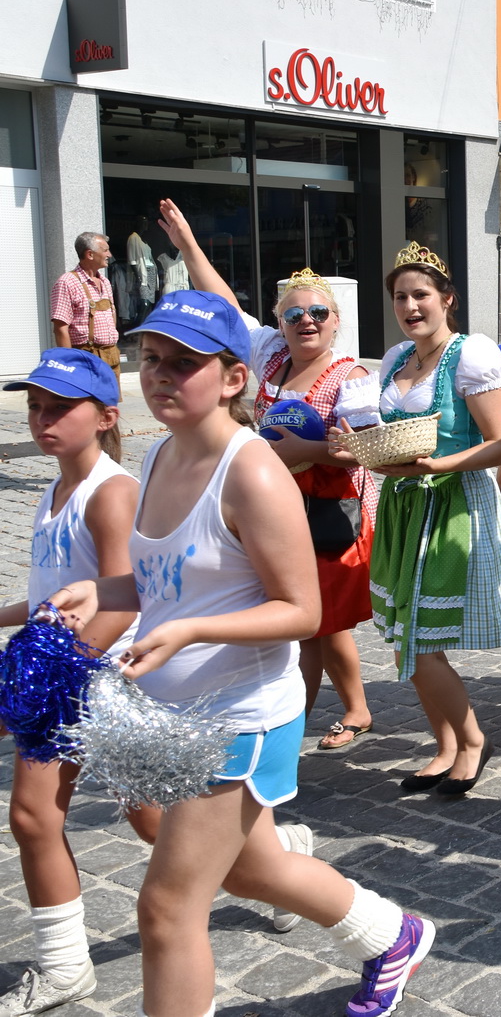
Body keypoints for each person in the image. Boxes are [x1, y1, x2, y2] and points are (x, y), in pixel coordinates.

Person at [48, 291, 434, 1017]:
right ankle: (393, 933)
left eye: (184, 363)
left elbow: (303, 610)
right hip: (173, 715)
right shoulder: (160, 454)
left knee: (166, 908)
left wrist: (193, 633)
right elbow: (170, 583)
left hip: (239, 720)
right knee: (254, 869)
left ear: (232, 378)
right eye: (151, 359)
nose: (160, 375)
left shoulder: (250, 470)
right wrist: (99, 591)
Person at [157, 199, 379, 755]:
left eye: (318, 313)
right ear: (280, 322)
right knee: (308, 620)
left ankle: (313, 719)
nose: (306, 321)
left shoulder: (352, 376)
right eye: (293, 313)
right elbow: (225, 304)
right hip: (274, 507)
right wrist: (187, 245)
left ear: (336, 321)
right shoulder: (272, 357)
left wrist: (304, 448)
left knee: (319, 621)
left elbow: (364, 453)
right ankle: (330, 712)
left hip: (332, 509)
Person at [0, 351, 156, 1016]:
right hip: (65, 679)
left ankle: (276, 855)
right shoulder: (54, 489)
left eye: (59, 407)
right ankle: (65, 966)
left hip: (102, 680)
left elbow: (125, 600)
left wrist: (50, 678)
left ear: (106, 416)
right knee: (34, 816)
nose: (42, 419)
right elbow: (48, 596)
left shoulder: (111, 490)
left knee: (158, 824)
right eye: (35, 405)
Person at [369, 244, 501, 795]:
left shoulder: (470, 357)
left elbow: (500, 443)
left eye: (421, 295)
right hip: (401, 503)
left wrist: (437, 463)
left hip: (451, 504)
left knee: (419, 636)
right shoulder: (396, 359)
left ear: (447, 299)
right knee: (403, 638)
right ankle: (444, 745)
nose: (411, 306)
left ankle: (471, 739)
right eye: (401, 297)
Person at [47, 232, 123, 394]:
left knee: (109, 410)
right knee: (87, 407)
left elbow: (112, 315)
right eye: (105, 250)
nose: (109, 255)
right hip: (85, 358)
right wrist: (68, 365)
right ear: (90, 254)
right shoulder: (67, 282)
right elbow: (60, 328)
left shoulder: (105, 282)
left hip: (111, 357)